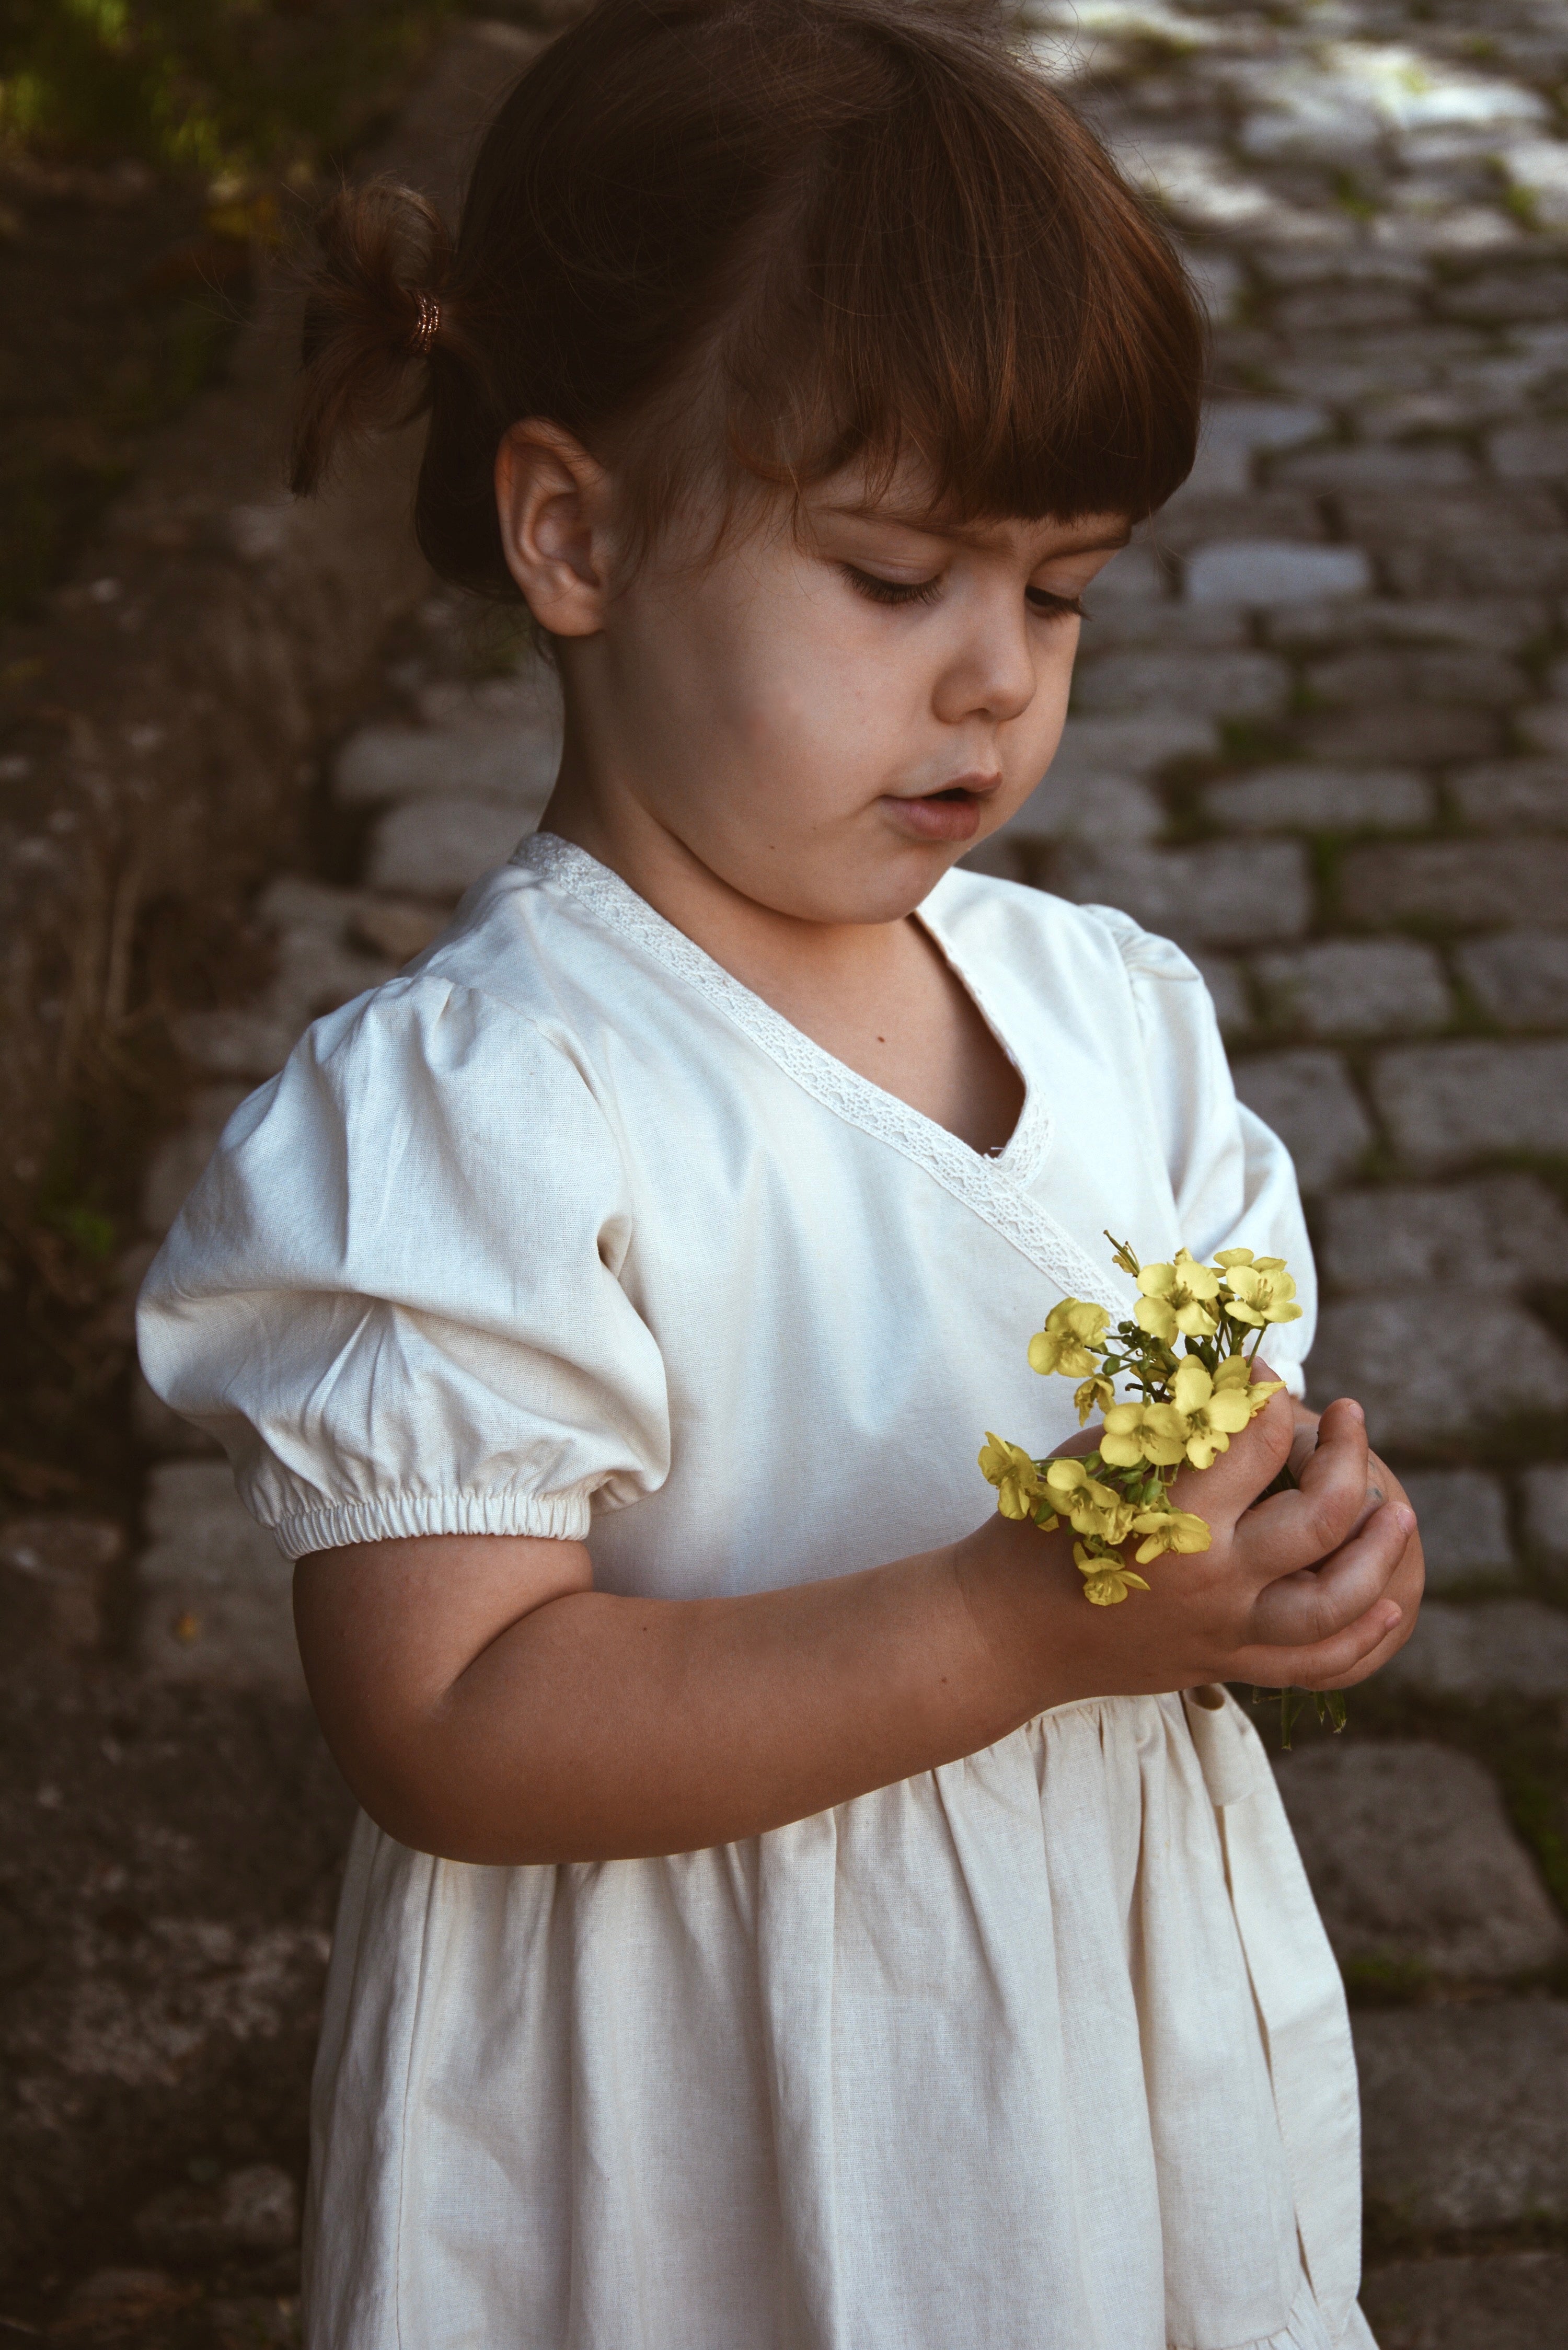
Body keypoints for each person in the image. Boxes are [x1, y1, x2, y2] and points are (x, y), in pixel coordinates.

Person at [137, 3, 1424, 2342]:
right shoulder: (492, 1106)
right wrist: (1007, 1627)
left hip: (1080, 2048)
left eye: (1056, 593)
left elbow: (1214, 1450)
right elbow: (448, 1717)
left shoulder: (1112, 1017)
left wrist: (1297, 1562)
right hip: (680, 2115)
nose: (992, 684)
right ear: (577, 529)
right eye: (895, 573)